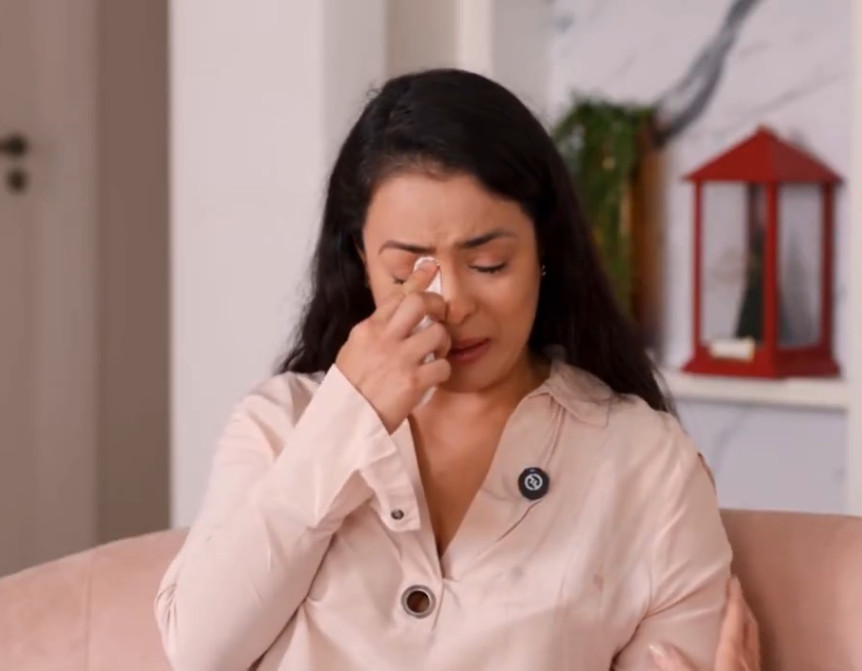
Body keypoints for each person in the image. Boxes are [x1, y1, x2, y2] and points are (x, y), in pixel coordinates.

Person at [155, 68, 752, 671]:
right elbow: (199, 651)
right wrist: (347, 417)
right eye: (408, 271)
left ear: (544, 249)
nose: (454, 302)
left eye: (489, 264)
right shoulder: (280, 424)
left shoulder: (645, 463)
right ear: (361, 258)